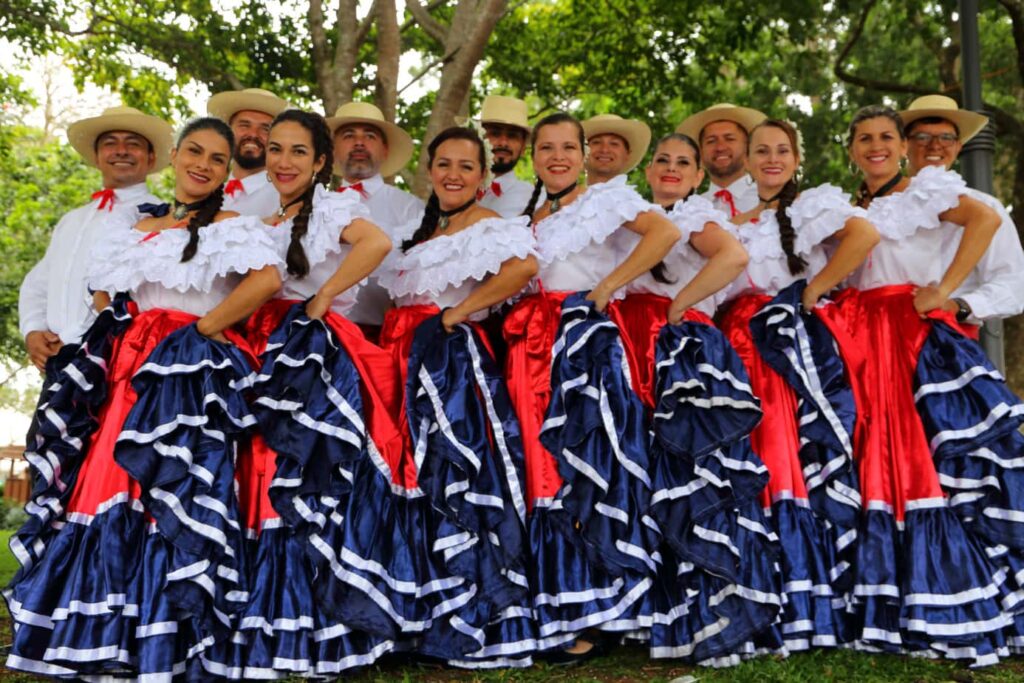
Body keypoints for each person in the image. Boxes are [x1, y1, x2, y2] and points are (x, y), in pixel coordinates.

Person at [5, 117, 283, 679]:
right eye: (195, 152)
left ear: (227, 172)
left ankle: (177, 628)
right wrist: (126, 327)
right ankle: (112, 627)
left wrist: (203, 328)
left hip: (190, 365)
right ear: (176, 156)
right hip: (131, 364)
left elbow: (266, 281)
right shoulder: (137, 229)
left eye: (217, 159)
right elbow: (107, 291)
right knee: (112, 479)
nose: (203, 165)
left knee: (175, 484)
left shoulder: (231, 225)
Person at [197, 109, 397, 678]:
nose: (284, 161)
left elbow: (376, 243)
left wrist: (323, 297)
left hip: (306, 346)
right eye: (277, 149)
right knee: (254, 473)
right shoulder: (261, 212)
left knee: (300, 472)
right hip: (258, 341)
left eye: (298, 153)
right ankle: (261, 615)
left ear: (320, 162)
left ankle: (318, 619)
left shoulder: (333, 206)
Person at [834, 105, 1014, 665]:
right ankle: (879, 604)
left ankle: (951, 599)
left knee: (927, 465)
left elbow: (989, 234)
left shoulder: (931, 194)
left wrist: (950, 295)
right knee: (871, 464)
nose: (876, 146)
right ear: (852, 149)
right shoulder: (852, 204)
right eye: (866, 138)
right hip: (861, 342)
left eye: (885, 136)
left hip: (911, 339)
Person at [505, 112, 680, 661]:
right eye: (546, 148)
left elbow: (665, 232)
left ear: (583, 155)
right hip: (534, 348)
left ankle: (600, 607)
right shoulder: (531, 215)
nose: (557, 157)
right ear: (534, 158)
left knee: (589, 463)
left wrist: (608, 286)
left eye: (567, 148)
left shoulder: (604, 200)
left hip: (583, 341)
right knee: (543, 468)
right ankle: (559, 602)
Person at [371, 126, 539, 667]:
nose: (453, 174)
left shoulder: (488, 226)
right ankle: (416, 615)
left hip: (446, 358)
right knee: (407, 477)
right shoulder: (419, 231)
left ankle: (470, 617)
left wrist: (456, 314)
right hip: (401, 358)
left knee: (451, 475)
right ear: (429, 169)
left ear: (484, 177)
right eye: (444, 164)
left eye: (466, 166)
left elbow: (523, 269)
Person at [718, 119, 879, 654]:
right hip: (735, 349)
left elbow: (864, 236)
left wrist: (813, 291)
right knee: (751, 465)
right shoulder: (729, 218)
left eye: (781, 150)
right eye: (761, 150)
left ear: (796, 158)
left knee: (794, 462)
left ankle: (810, 602)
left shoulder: (811, 206)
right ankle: (759, 598)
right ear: (746, 158)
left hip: (786, 349)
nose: (771, 159)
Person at [18, 104, 172, 372]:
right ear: (98, 156)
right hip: (59, 362)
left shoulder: (161, 217)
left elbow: (143, 297)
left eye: (132, 143)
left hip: (117, 363)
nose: (121, 150)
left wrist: (74, 339)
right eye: (110, 143)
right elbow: (38, 283)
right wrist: (33, 331)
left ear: (150, 157)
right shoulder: (72, 220)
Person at [898, 94, 1024, 323]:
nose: (935, 145)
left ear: (958, 146)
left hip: (950, 340)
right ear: (904, 145)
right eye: (923, 136)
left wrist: (959, 306)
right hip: (881, 336)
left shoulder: (986, 206)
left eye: (946, 137)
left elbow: (1014, 283)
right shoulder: (882, 207)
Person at [327, 101, 424, 337]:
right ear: (332, 150)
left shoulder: (411, 207)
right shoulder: (316, 204)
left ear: (385, 150)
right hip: (319, 331)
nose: (359, 142)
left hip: (381, 335)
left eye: (369, 136)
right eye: (349, 135)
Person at [208, 87, 290, 217]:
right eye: (244, 125)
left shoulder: (284, 199)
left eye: (265, 129)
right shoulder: (207, 194)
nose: (253, 134)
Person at [675, 103, 766, 218]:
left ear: (748, 147)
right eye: (711, 141)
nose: (720, 147)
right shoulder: (689, 210)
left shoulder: (770, 202)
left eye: (730, 139)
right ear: (700, 152)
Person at [477, 94, 535, 217]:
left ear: (523, 147)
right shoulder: (454, 189)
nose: (503, 143)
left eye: (513, 136)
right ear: (478, 139)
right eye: (495, 133)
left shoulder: (535, 199)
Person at [581, 113, 651, 185]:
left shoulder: (631, 196)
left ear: (628, 154)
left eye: (614, 144)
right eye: (596, 142)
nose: (604, 149)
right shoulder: (573, 195)